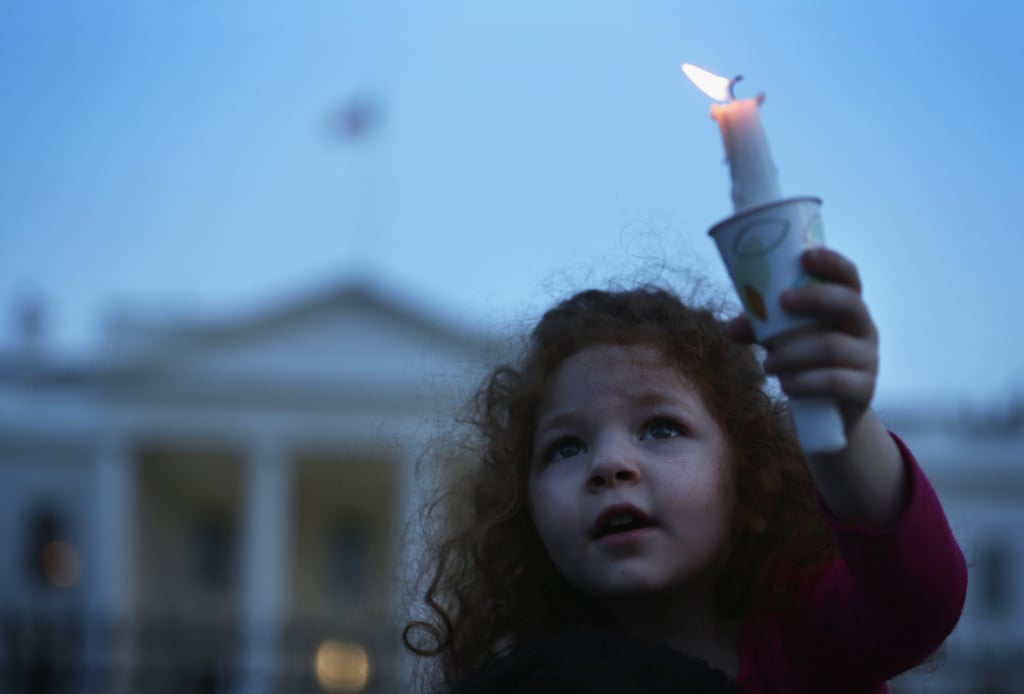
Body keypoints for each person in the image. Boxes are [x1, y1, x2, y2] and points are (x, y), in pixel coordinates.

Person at [403, 249, 967, 693]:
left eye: (661, 429)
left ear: (747, 469)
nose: (609, 464)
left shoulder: (811, 632)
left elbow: (919, 596)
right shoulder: (533, 679)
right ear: (522, 504)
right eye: (565, 448)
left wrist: (838, 416)